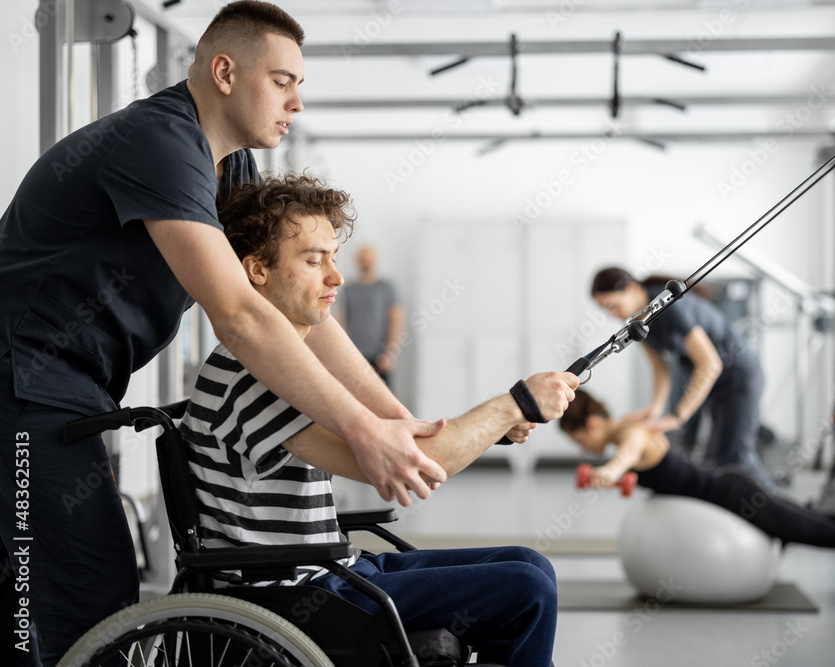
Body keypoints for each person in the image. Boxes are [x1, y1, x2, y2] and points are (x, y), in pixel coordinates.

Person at [0, 3, 450, 664]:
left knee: (47, 588)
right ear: (225, 72)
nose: (297, 100)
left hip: (76, 381)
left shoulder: (233, 170)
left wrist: (398, 421)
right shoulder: (159, 142)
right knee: (83, 594)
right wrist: (359, 427)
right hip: (22, 377)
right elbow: (239, 313)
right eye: (283, 80)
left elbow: (301, 313)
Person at [183, 173, 579, 667]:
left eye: (333, 257)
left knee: (529, 563)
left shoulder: (279, 361)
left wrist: (494, 425)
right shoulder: (257, 374)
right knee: (526, 589)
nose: (336, 277)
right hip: (292, 596)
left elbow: (406, 433)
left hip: (330, 569)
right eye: (312, 260)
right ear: (256, 270)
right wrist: (514, 403)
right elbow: (416, 459)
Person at [559, 389, 835, 603]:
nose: (582, 446)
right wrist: (613, 474)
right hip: (729, 486)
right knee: (822, 523)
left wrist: (610, 471)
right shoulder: (629, 424)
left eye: (579, 436)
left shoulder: (629, 435)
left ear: (593, 423)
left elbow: (629, 455)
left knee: (821, 534)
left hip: (734, 496)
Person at [590, 267, 775, 491]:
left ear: (630, 289)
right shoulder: (639, 322)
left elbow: (710, 363)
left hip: (739, 378)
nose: (611, 314)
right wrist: (655, 409)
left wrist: (679, 416)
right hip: (717, 388)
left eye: (612, 305)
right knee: (718, 459)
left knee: (735, 459)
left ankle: (782, 518)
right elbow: (660, 368)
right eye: (604, 309)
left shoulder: (667, 308)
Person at [337, 244, 404, 384]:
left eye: (368, 257)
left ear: (375, 259)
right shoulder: (349, 288)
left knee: (383, 401)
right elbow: (340, 319)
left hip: (379, 356)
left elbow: (396, 321)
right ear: (357, 260)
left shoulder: (385, 287)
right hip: (354, 354)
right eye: (362, 257)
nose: (365, 260)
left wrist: (390, 353)